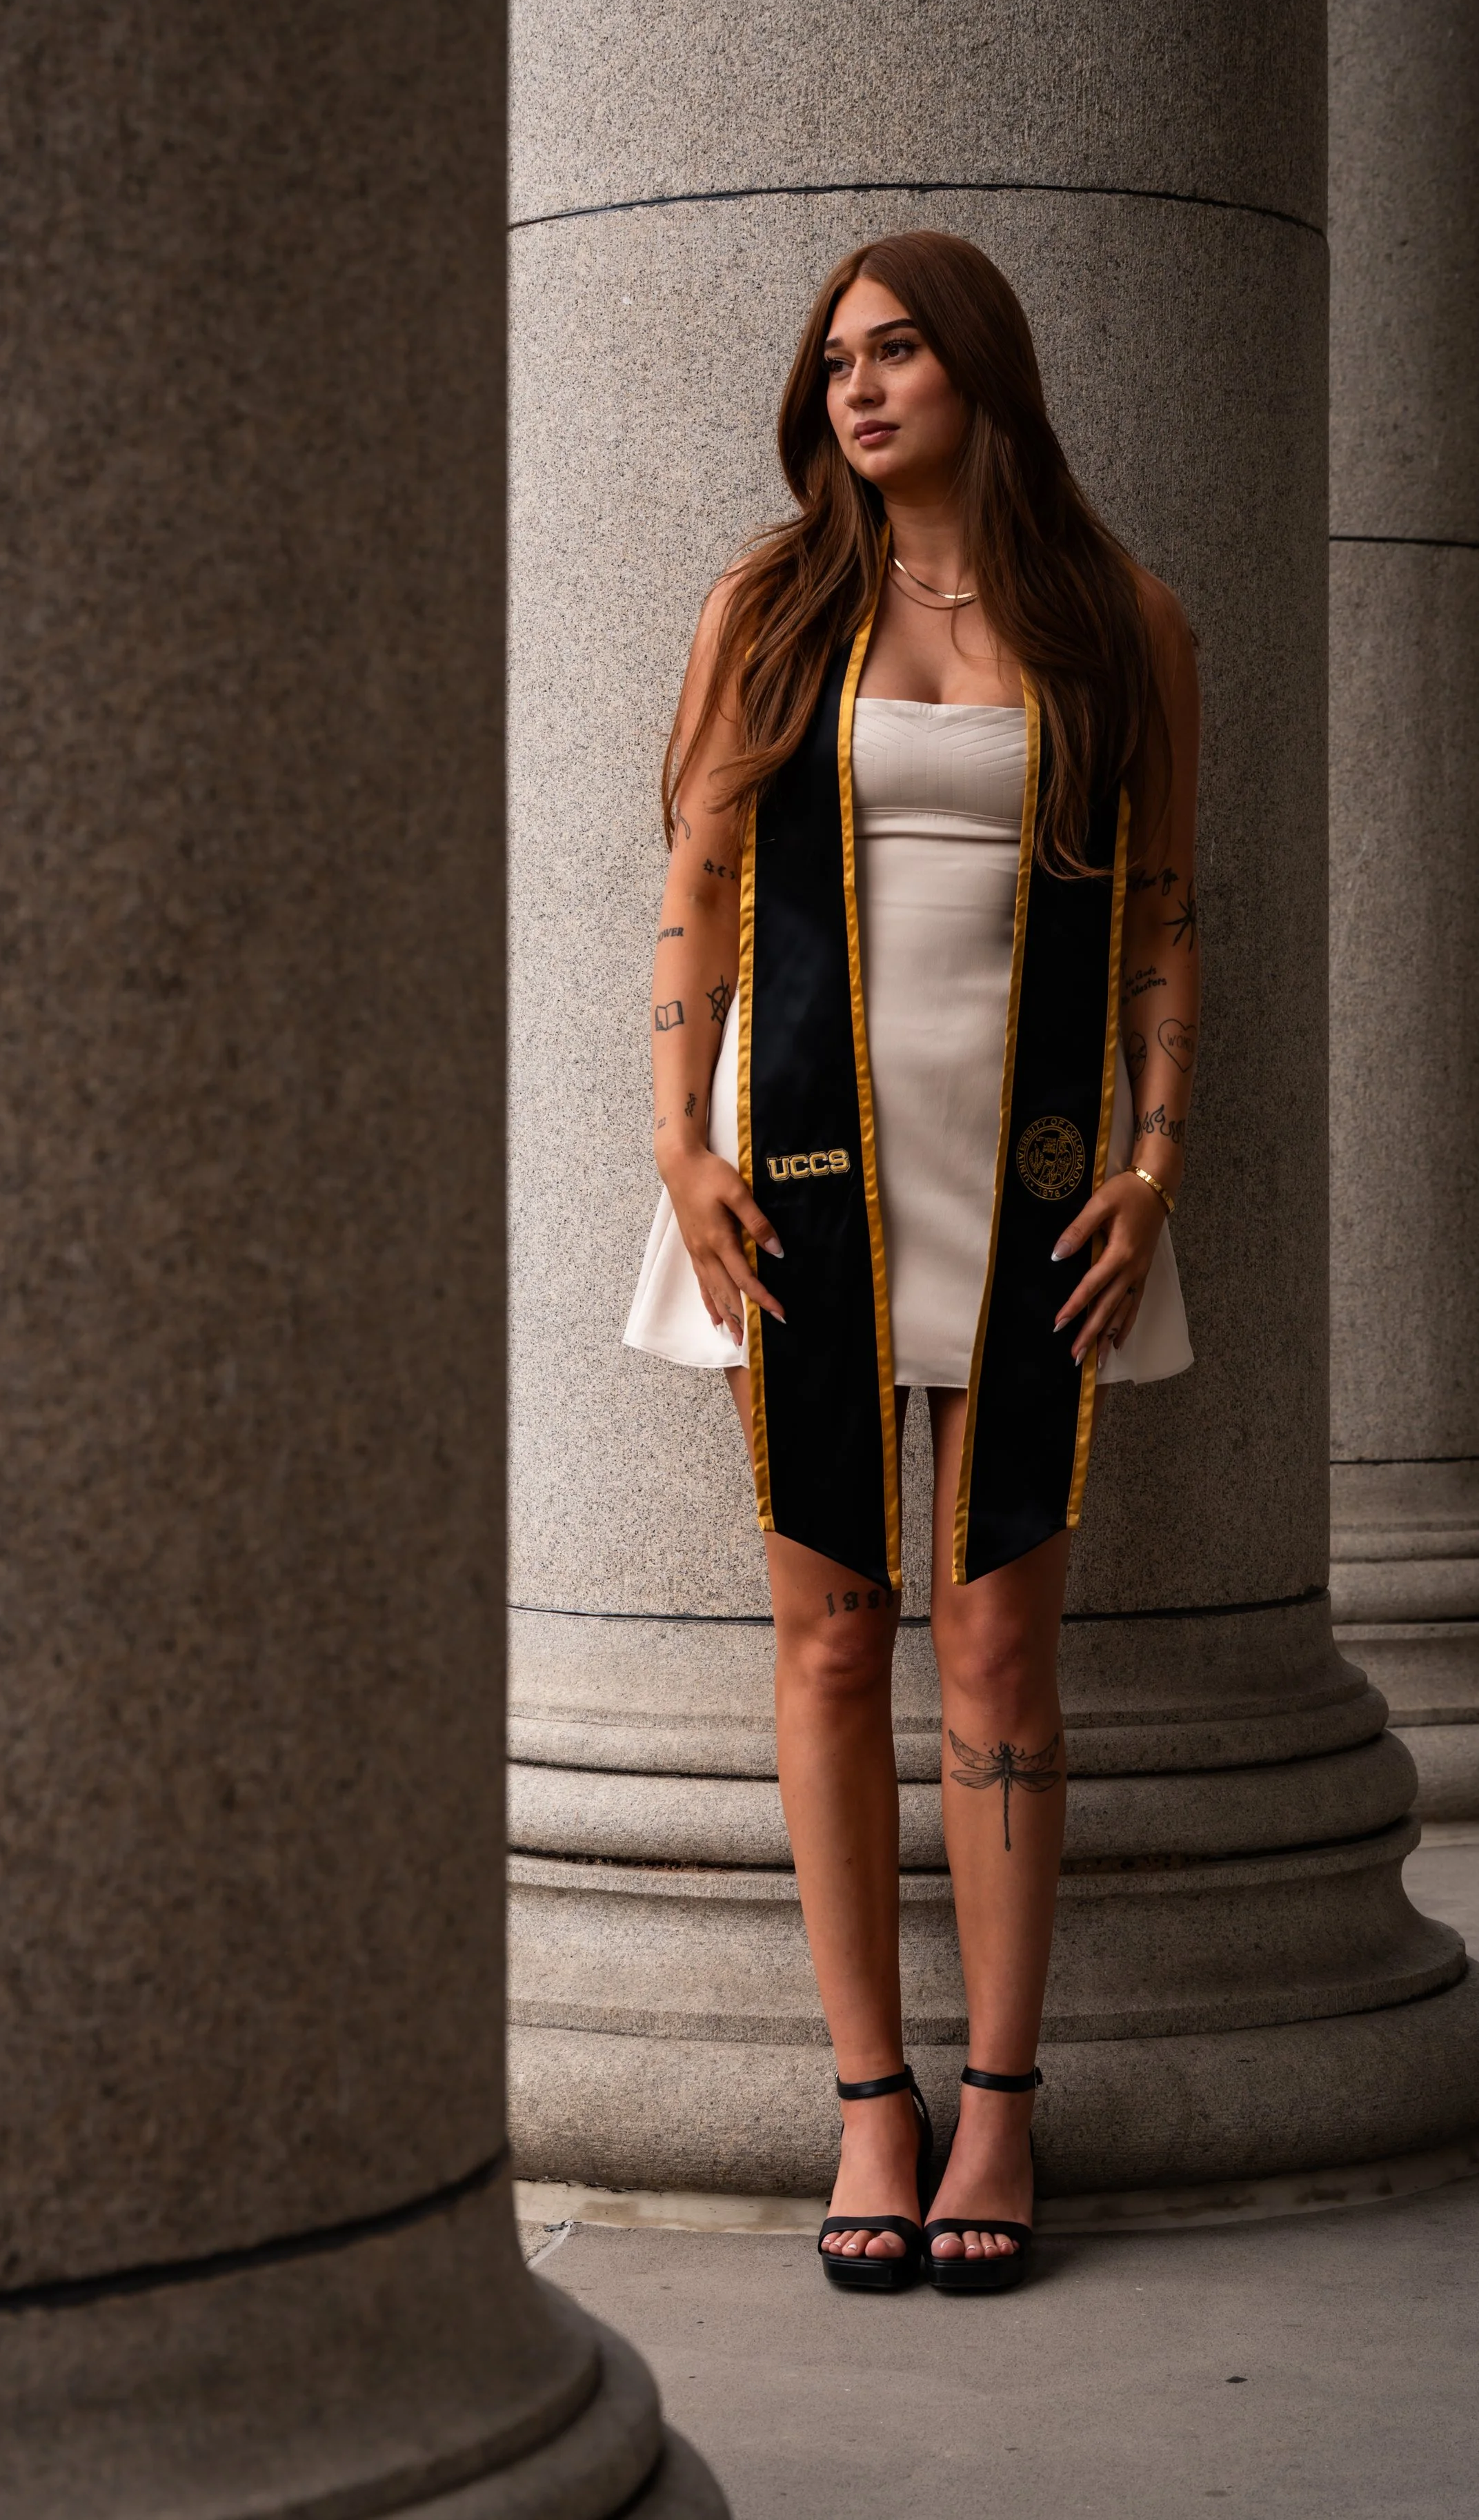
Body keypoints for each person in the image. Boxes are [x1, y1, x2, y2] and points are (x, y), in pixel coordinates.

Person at [624, 230, 1198, 2294]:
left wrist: (1147, 1169)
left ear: (981, 373)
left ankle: (1004, 2107)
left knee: (997, 1652)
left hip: (1033, 1176)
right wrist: (673, 1147)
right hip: (797, 1166)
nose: (861, 388)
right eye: (838, 359)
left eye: (901, 353)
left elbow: (1156, 918)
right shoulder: (770, 609)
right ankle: (872, 2092)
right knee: (833, 1637)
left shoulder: (1116, 621)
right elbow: (690, 880)